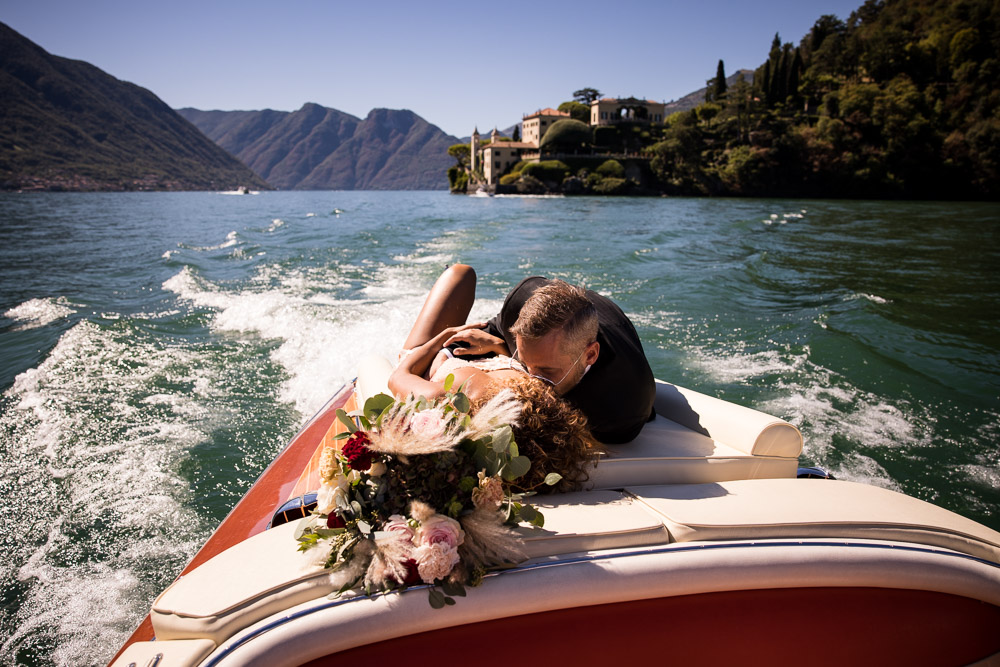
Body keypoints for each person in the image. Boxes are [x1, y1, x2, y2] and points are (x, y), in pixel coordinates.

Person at [388, 264, 598, 492]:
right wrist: (499, 346)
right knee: (462, 276)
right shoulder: (544, 387)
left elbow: (399, 375)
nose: (535, 377)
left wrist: (441, 339)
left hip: (429, 357)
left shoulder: (452, 395)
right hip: (490, 355)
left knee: (460, 273)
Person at [442, 272, 656, 444]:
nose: (531, 381)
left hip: (614, 335)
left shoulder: (622, 410)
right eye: (525, 363)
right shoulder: (519, 305)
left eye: (547, 371)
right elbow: (488, 331)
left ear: (590, 355)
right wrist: (446, 352)